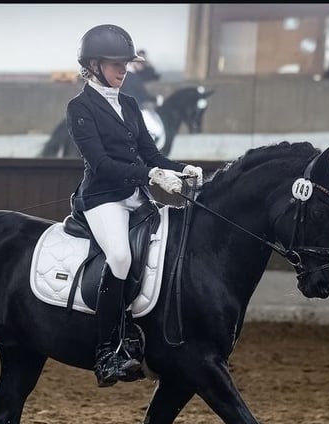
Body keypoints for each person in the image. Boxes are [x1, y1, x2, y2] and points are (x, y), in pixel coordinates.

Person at [66, 24, 203, 388]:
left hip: (135, 197)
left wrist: (180, 168)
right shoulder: (79, 107)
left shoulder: (128, 103)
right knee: (122, 259)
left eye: (125, 64)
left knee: (162, 251)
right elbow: (102, 164)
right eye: (115, 64)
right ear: (93, 65)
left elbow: (150, 152)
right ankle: (105, 352)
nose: (123, 70)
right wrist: (153, 175)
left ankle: (137, 334)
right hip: (101, 198)